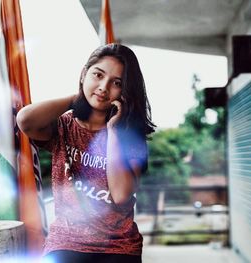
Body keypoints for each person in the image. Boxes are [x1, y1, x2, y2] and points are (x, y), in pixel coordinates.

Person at [16, 43, 155, 263]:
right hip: (67, 241)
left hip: (119, 245)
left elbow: (120, 195)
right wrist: (76, 98)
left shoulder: (129, 135)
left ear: (125, 91)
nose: (103, 87)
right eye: (97, 75)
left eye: (116, 83)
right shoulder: (64, 126)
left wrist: (113, 131)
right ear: (84, 74)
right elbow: (25, 120)